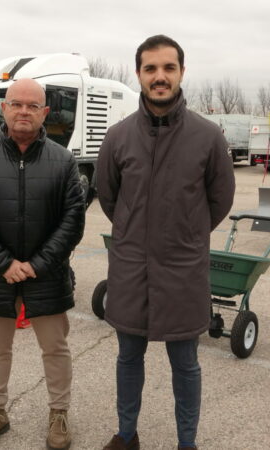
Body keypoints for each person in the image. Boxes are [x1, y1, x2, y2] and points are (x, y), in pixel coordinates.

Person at [96, 35, 236, 450]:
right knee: (127, 358)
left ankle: (186, 443)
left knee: (185, 363)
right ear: (138, 74)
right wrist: (136, 234)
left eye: (168, 68)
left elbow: (220, 199)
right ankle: (126, 435)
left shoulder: (208, 137)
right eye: (151, 69)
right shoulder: (118, 137)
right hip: (130, 269)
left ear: (181, 73)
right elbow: (109, 196)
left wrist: (185, 235)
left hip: (183, 269)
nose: (160, 77)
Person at [0, 78, 85, 450]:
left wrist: (39, 264)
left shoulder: (62, 160)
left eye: (32, 106)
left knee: (55, 348)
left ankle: (59, 413)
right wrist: (3, 262)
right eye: (17, 104)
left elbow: (73, 218)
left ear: (45, 113)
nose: (24, 111)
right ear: (4, 108)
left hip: (48, 274)